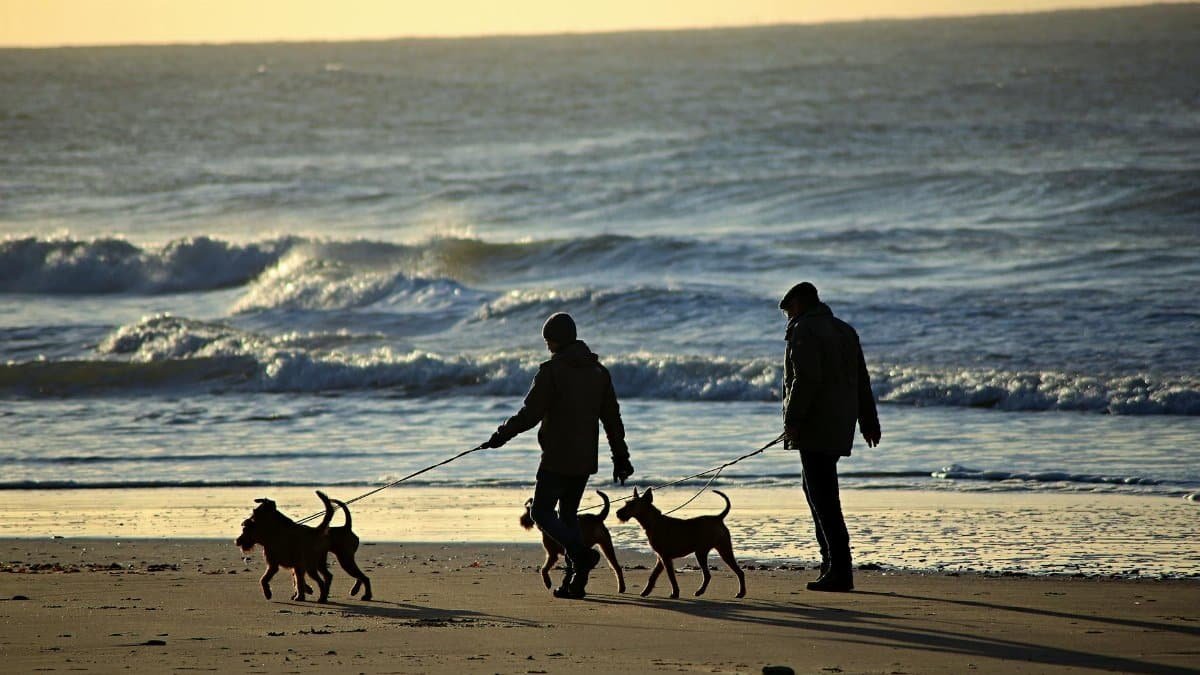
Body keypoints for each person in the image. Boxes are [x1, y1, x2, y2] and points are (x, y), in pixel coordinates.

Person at [482, 312, 634, 599]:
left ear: (558, 340)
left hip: (556, 458)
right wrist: (621, 458)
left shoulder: (552, 372)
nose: (547, 345)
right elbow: (612, 420)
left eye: (549, 340)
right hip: (585, 460)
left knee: (540, 512)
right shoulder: (599, 372)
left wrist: (502, 435)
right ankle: (575, 584)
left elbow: (530, 414)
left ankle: (579, 554)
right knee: (567, 518)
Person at [779, 282, 881, 592]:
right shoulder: (844, 329)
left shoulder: (805, 330)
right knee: (815, 489)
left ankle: (839, 569)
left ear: (800, 304)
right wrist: (868, 420)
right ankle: (830, 564)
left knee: (823, 497)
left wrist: (793, 420)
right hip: (839, 423)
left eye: (788, 310)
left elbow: (805, 379)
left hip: (814, 424)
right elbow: (861, 379)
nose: (787, 318)